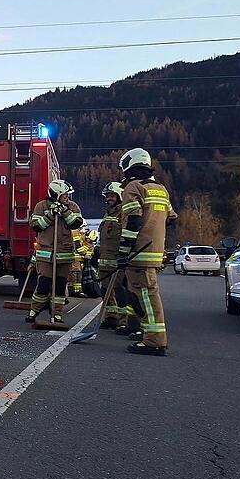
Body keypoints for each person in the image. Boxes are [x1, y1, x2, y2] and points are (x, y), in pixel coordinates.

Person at [117, 148, 177, 356]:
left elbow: (132, 221)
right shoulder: (160, 189)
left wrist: (124, 251)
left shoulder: (133, 187)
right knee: (143, 294)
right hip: (154, 251)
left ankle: (154, 340)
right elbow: (171, 219)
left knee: (146, 296)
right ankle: (148, 334)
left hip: (139, 253)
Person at [26, 179, 84, 327]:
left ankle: (57, 313)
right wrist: (51, 214)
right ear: (56, 193)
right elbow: (36, 226)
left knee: (59, 285)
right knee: (43, 284)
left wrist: (64, 211)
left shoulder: (72, 206)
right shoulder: (41, 206)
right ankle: (34, 310)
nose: (67, 197)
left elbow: (76, 223)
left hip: (64, 254)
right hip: (45, 254)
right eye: (65, 195)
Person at [97, 182, 136, 331]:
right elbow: (104, 236)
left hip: (118, 259)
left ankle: (124, 321)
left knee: (120, 291)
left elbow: (128, 235)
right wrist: (97, 251)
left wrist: (124, 254)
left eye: (112, 196)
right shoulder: (108, 213)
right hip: (105, 259)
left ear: (120, 196)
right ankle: (110, 317)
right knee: (105, 290)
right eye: (107, 196)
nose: (109, 199)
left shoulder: (123, 213)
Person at [69, 228, 92, 298]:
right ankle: (75, 291)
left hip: (78, 259)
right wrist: (85, 254)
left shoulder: (80, 233)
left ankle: (76, 290)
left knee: (76, 275)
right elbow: (77, 246)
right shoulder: (74, 232)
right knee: (76, 274)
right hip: (74, 258)